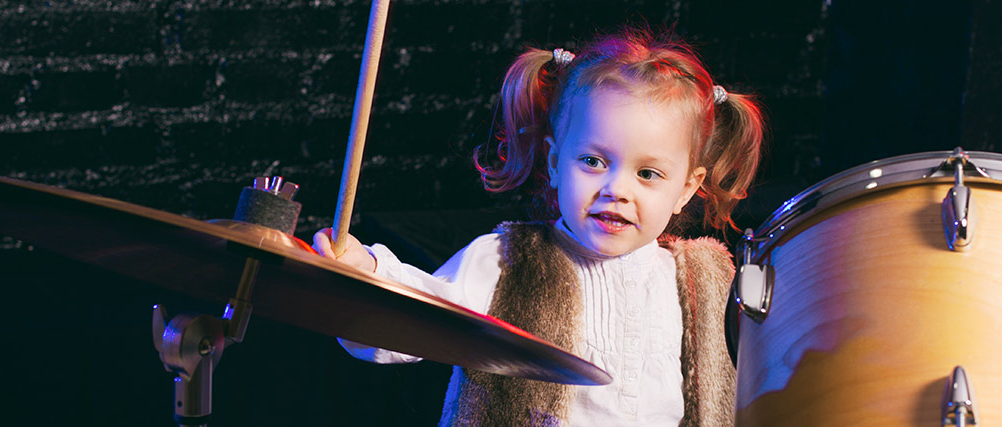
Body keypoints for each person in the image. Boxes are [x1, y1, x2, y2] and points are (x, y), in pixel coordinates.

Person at [314, 28, 765, 426]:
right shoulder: (505, 260)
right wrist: (365, 273)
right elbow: (413, 320)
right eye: (593, 161)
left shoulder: (703, 283)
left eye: (648, 174)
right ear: (553, 162)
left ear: (687, 189)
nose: (617, 190)